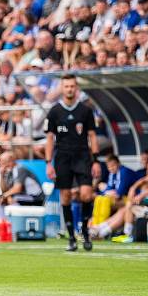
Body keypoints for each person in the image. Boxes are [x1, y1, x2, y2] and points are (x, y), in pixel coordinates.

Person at [44, 74, 101, 251]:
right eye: (66, 86)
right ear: (62, 88)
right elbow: (49, 138)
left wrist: (96, 160)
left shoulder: (85, 111)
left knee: (86, 194)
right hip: (62, 157)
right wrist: (48, 162)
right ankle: (71, 238)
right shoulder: (54, 111)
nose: (69, 89)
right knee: (66, 196)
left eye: (72, 86)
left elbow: (92, 135)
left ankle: (84, 232)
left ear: (76, 88)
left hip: (83, 155)